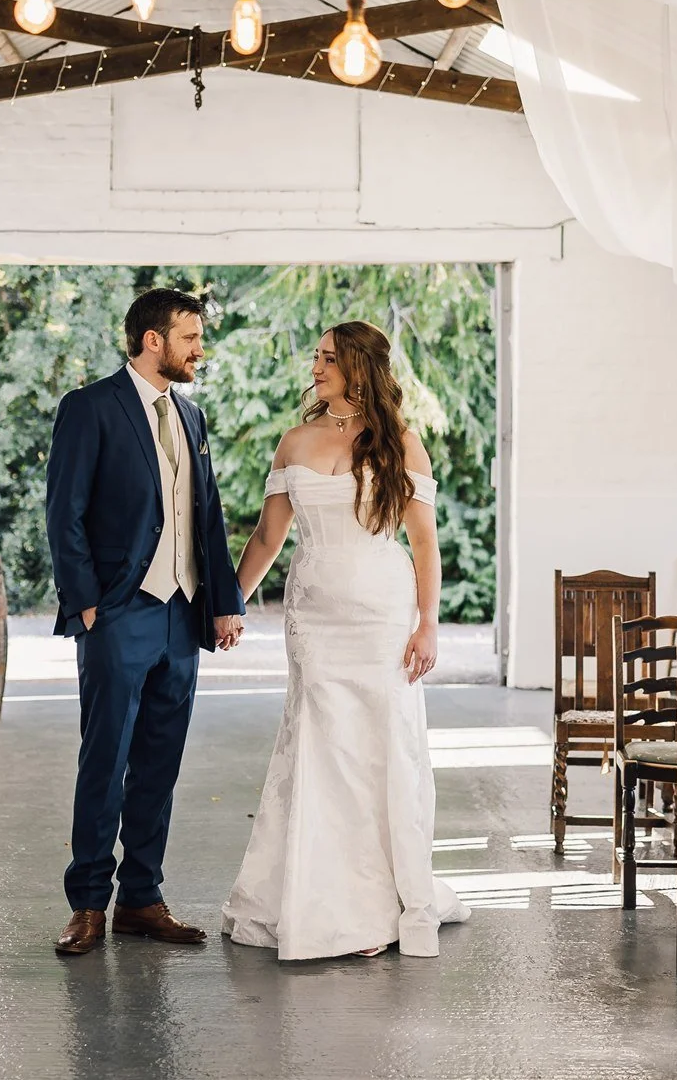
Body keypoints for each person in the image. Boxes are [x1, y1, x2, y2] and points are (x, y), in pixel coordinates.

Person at [219, 321, 470, 959]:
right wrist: (229, 604)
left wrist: (427, 622)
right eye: (319, 355)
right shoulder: (295, 441)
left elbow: (424, 545)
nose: (318, 364)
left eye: (331, 357)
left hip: (382, 618)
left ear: (361, 367)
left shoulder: (401, 445)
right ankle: (317, 901)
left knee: (378, 753)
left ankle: (376, 903)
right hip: (315, 618)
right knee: (321, 751)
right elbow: (268, 539)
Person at [44, 288, 247, 956]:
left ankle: (141, 898)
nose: (199, 348)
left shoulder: (191, 416)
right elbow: (63, 513)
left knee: (159, 763)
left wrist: (222, 601)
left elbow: (206, 515)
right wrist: (88, 602)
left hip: (180, 617)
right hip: (120, 611)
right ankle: (87, 904)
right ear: (154, 340)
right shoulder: (89, 409)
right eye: (189, 336)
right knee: (105, 759)